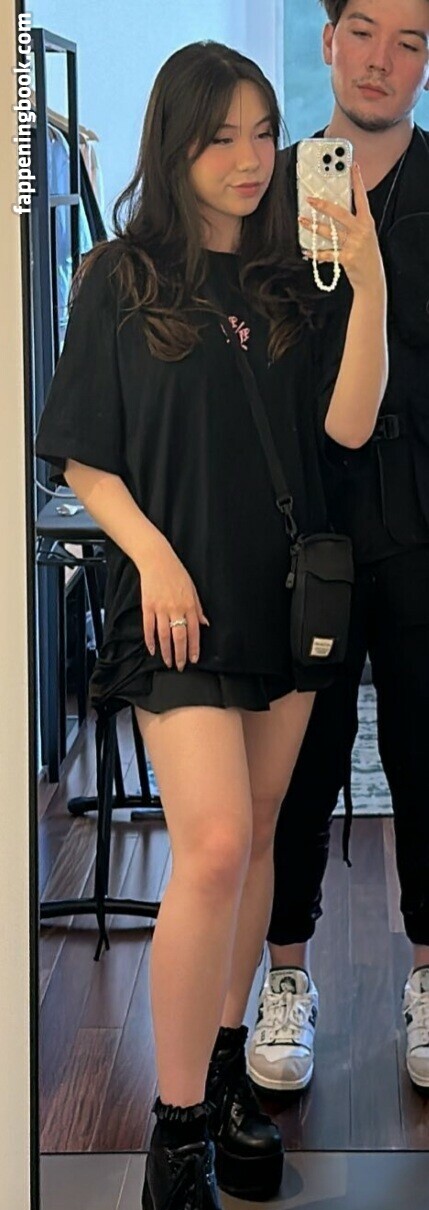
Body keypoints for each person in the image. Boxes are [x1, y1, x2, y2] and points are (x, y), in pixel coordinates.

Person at [35, 41, 387, 1210]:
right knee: (220, 844)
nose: (250, 159)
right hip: (177, 610)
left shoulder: (295, 275)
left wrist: (370, 274)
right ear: (175, 141)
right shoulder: (119, 278)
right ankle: (174, 1147)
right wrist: (152, 557)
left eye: (262, 132)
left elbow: (348, 425)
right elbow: (84, 455)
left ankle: (229, 1064)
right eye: (223, 135)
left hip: (283, 602)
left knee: (261, 838)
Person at [248, 0, 429, 1099]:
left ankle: (428, 977)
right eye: (363, 31)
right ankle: (284, 977)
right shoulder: (271, 188)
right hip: (300, 519)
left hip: (421, 515)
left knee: (426, 754)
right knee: (298, 764)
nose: (381, 61)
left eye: (410, 42)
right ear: (326, 41)